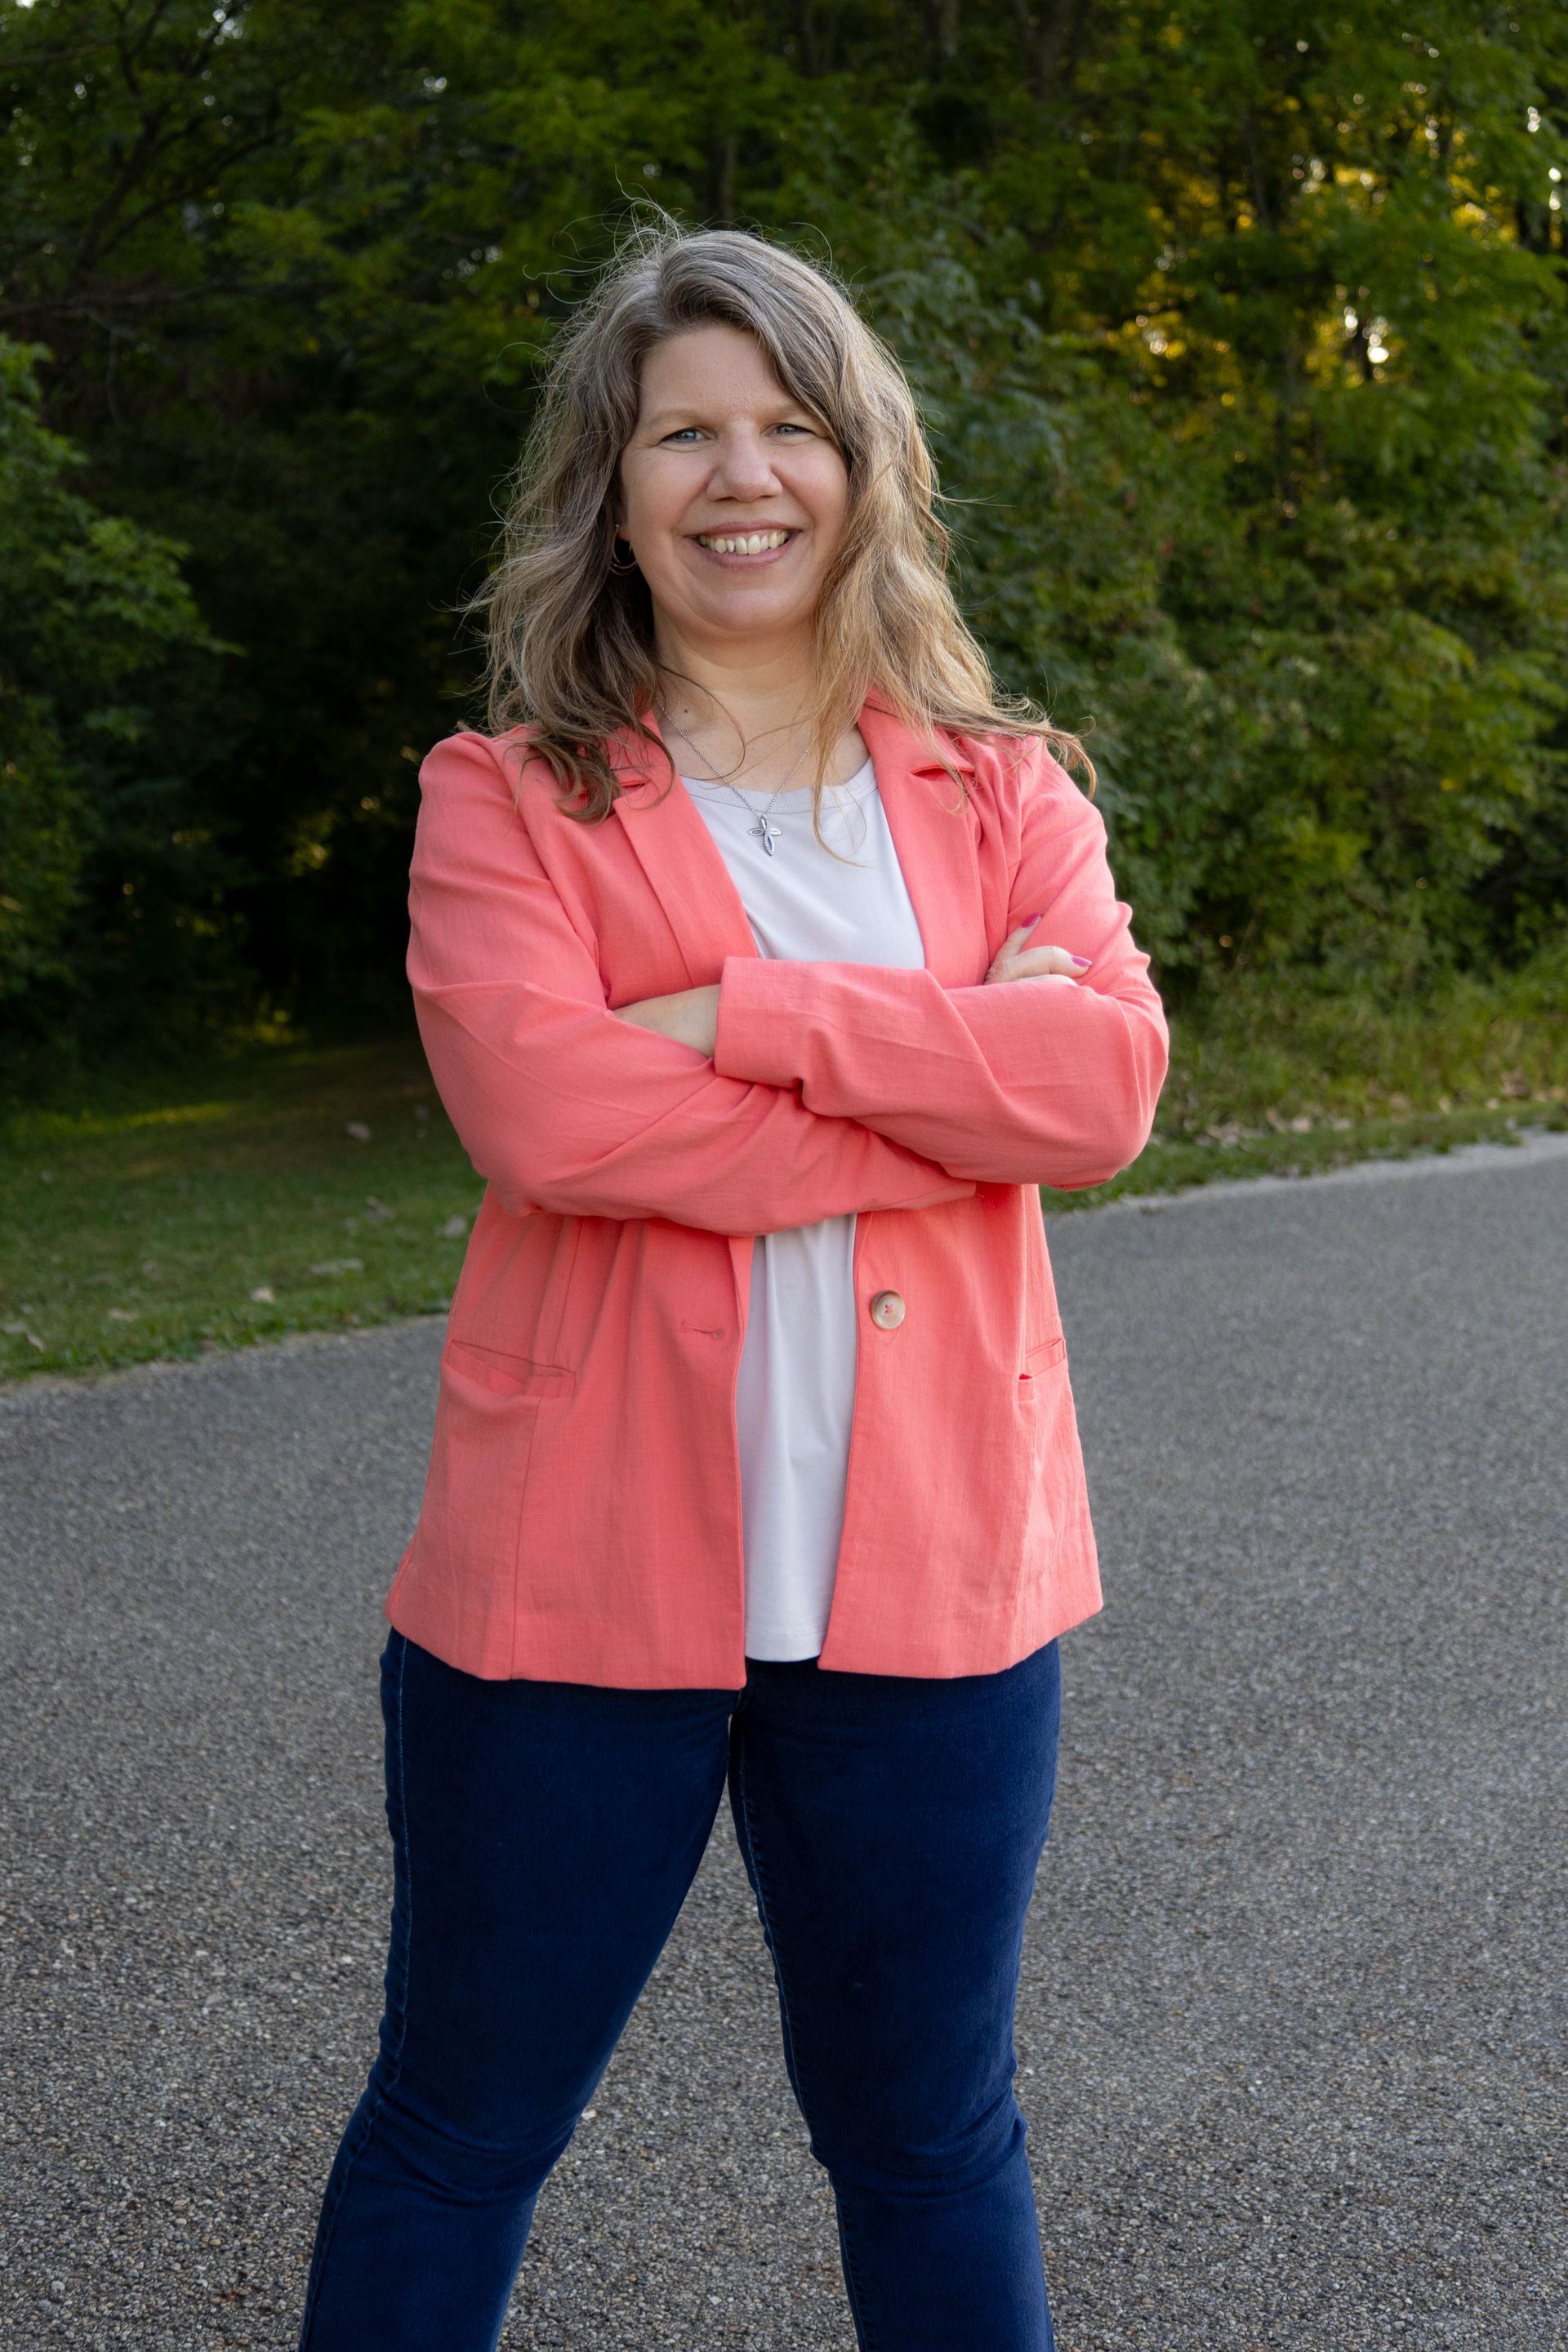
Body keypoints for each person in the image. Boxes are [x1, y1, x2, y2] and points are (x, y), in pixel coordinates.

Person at [295, 220, 1168, 2352]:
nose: (739, 473)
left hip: (939, 1605)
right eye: (683, 430)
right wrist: (946, 1077)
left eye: (788, 423)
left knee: (933, 2142)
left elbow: (1106, 1089)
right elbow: (549, 1121)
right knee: (459, 2125)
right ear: (612, 486)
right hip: (567, 1595)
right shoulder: (506, 801)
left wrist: (737, 1014)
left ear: (864, 470)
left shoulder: (1005, 794)